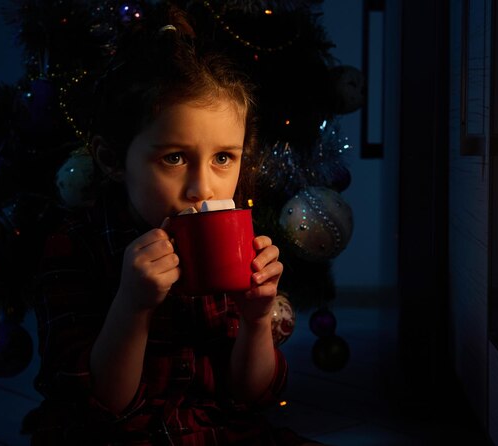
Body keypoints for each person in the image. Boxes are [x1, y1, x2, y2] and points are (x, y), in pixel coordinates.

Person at [29, 3, 322, 445]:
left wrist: (257, 319)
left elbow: (251, 393)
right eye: (174, 158)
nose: (202, 188)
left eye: (224, 158)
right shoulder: (71, 246)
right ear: (112, 160)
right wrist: (132, 303)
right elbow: (101, 402)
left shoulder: (231, 246)